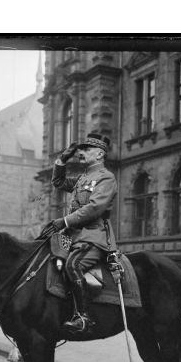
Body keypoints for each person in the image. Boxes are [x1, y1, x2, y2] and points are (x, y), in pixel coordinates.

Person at [51, 132, 118, 335]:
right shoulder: (83, 177)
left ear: (99, 154)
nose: (81, 152)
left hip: (93, 235)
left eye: (86, 149)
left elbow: (94, 208)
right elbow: (58, 182)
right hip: (72, 236)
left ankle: (84, 317)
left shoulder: (106, 177)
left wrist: (64, 221)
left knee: (73, 265)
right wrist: (63, 159)